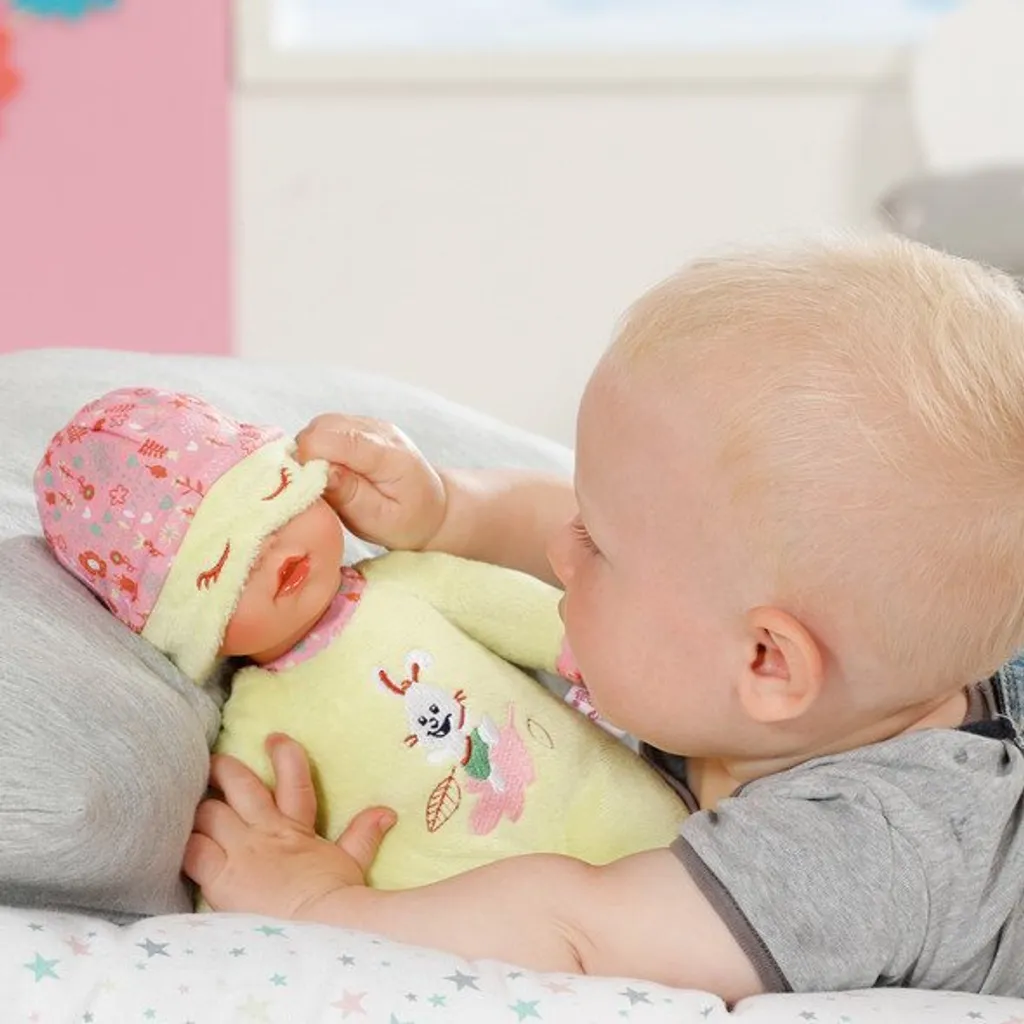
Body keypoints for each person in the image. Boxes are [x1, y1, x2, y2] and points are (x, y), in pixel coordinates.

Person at [181, 237, 1024, 1001]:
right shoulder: (828, 671)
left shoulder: (852, 854)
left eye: (596, 545)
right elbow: (601, 528)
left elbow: (573, 933)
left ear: (767, 662)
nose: (558, 549)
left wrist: (320, 906)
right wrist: (453, 511)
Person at [34, 389, 686, 894]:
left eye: (274, 503)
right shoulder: (260, 730)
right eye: (221, 569)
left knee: (644, 835)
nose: (270, 554)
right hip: (467, 895)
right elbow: (256, 855)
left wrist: (588, 653)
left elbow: (509, 608)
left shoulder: (405, 581)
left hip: (600, 803)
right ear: (187, 632)